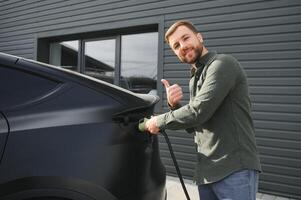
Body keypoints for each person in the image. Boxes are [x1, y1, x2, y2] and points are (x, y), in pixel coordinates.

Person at [144, 20, 262, 200]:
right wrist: (174, 104)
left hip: (234, 170)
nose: (183, 46)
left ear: (199, 37)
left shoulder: (222, 64)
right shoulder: (195, 78)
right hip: (207, 173)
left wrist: (157, 121)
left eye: (185, 38)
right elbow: (195, 125)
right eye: (176, 45)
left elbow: (198, 112)